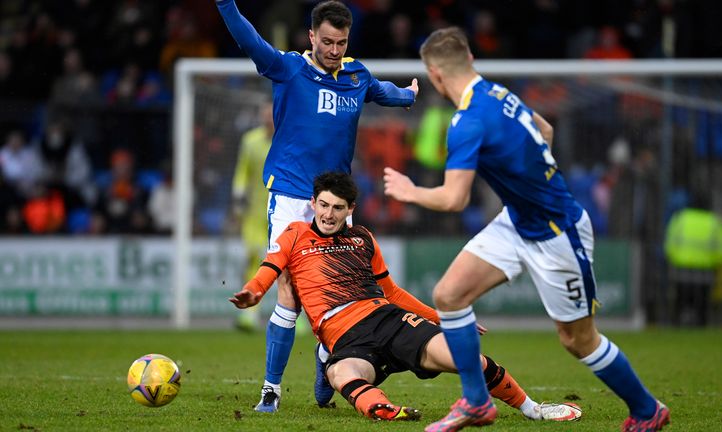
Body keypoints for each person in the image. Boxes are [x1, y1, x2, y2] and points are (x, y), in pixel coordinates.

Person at [383, 27, 670, 432]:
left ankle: (646, 409)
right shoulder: (499, 93)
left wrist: (410, 191)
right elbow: (546, 132)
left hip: (557, 233)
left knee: (578, 340)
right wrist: (529, 186)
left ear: (435, 75)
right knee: (449, 295)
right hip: (518, 219)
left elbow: (454, 200)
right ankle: (476, 402)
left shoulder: (466, 122)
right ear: (471, 62)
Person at [229, 172, 582, 423]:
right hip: (345, 337)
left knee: (464, 356)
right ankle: (385, 409)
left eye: (337, 208)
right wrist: (254, 291)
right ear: (313, 202)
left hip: (387, 319)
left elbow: (392, 291)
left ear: (350, 209)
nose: (327, 214)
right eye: (322, 205)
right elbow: (271, 266)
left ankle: (533, 409)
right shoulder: (295, 234)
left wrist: (442, 318)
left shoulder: (362, 238)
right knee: (343, 373)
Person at [214, 0, 419, 413]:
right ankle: (271, 389)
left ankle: (327, 366)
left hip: (337, 199)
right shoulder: (289, 68)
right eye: (326, 41)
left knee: (341, 296)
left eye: (341, 42)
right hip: (292, 195)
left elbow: (383, 93)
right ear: (311, 36)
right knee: (290, 288)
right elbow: (249, 39)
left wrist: (409, 95)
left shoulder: (356, 74)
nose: (333, 49)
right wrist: (226, 4)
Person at [231, 102, 274, 332]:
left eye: (272, 115)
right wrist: (238, 196)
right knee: (254, 258)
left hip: (281, 212)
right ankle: (250, 314)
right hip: (254, 213)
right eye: (265, 115)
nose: (269, 119)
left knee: (290, 265)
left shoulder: (289, 138)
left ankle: (296, 318)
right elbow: (242, 171)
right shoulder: (250, 141)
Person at [664, 192, 722, 326]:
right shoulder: (715, 221)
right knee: (702, 307)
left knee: (680, 303)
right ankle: (701, 326)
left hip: (682, 270)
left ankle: (677, 326)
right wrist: (713, 262)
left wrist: (676, 259)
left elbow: (669, 244)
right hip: (705, 272)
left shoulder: (681, 218)